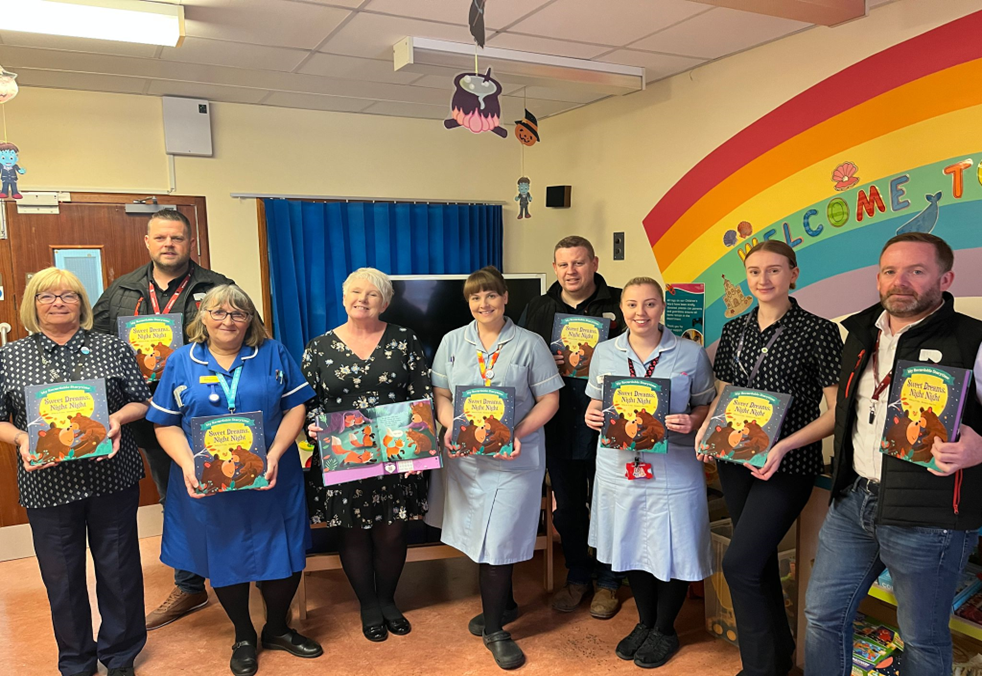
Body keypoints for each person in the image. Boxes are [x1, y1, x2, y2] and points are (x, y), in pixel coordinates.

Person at [804, 233, 982, 676]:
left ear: (946, 278)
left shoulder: (973, 340)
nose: (899, 281)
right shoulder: (860, 333)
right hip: (853, 502)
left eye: (916, 271)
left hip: (931, 517)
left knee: (922, 638)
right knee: (822, 616)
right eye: (889, 271)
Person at [147, 285, 320, 676]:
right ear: (203, 317)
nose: (228, 321)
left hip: (273, 476)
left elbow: (296, 407)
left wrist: (274, 455)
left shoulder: (273, 353)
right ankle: (243, 634)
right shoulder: (180, 360)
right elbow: (165, 424)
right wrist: (189, 463)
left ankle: (277, 628)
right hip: (209, 483)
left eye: (238, 313)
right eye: (219, 312)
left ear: (250, 319)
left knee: (285, 553)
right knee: (223, 556)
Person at [694, 240, 842, 676]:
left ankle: (759, 670)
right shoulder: (736, 329)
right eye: (755, 271)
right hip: (735, 460)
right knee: (754, 563)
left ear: (793, 274)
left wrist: (782, 446)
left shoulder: (818, 331)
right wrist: (706, 430)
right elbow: (724, 394)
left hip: (788, 464)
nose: (763, 279)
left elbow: (838, 412)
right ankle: (778, 658)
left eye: (774, 270)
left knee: (739, 565)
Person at [0, 267, 151, 676]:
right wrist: (19, 438)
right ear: (33, 305)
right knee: (62, 579)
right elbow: (1, 419)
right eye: (46, 297)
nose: (58, 302)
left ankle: (120, 656)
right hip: (46, 485)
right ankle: (76, 661)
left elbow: (141, 402)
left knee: (118, 570)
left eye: (68, 295)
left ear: (82, 303)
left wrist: (117, 419)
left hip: (110, 477)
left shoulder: (111, 347)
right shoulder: (10, 356)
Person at [93, 208, 233, 630]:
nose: (169, 244)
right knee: (176, 496)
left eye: (177, 238)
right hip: (150, 416)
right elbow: (97, 348)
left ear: (191, 243)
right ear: (148, 242)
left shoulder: (217, 288)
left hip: (209, 411)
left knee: (229, 490)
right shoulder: (120, 292)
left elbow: (250, 336)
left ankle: (241, 571)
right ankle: (189, 585)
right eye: (161, 238)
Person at [430, 266, 562, 670]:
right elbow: (441, 392)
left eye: (490, 295)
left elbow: (549, 399)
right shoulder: (453, 341)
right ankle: (503, 604)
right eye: (475, 298)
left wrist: (517, 432)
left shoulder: (530, 344)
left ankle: (494, 631)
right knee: (480, 538)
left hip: (513, 459)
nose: (483, 304)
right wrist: (451, 423)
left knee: (499, 541)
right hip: (467, 460)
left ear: (506, 298)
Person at [583, 277, 715, 668]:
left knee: (671, 546)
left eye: (650, 304)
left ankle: (665, 629)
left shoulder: (690, 354)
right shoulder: (605, 352)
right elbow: (594, 403)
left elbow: (706, 406)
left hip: (672, 468)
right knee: (631, 544)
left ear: (662, 307)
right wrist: (591, 415)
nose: (641, 313)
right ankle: (644, 622)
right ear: (621, 308)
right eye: (632, 305)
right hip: (619, 466)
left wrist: (693, 422)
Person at [302, 268, 432, 642]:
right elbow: (307, 403)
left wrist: (418, 450)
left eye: (372, 294)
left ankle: (388, 600)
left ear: (385, 302)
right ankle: (368, 604)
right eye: (355, 292)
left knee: (393, 533)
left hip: (396, 454)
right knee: (353, 535)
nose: (362, 298)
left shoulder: (404, 340)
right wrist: (313, 425)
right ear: (343, 299)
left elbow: (420, 395)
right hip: (343, 455)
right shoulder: (318, 347)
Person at [519, 235, 626, 618]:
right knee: (567, 509)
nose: (571, 271)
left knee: (608, 505)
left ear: (594, 263)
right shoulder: (538, 307)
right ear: (555, 267)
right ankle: (578, 575)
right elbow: (522, 360)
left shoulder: (620, 304)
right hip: (558, 424)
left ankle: (610, 581)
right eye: (563, 264)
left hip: (612, 426)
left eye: (578, 263)